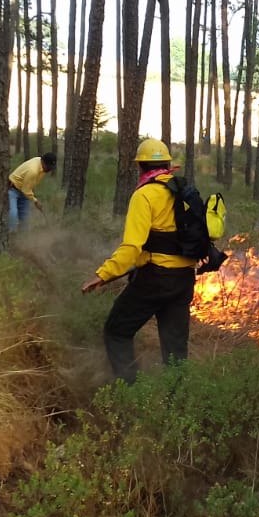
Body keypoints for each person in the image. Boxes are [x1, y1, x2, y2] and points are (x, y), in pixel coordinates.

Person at [81, 138, 197, 382]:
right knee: (175, 352)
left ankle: (130, 391)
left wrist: (102, 275)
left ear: (140, 167)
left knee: (117, 331)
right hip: (184, 279)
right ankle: (178, 400)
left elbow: (132, 247)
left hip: (155, 278)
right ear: (168, 165)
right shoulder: (184, 191)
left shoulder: (144, 195)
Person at [7, 152, 57, 234]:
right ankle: (10, 235)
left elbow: (28, 187)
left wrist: (33, 198)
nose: (49, 170)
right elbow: (25, 190)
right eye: (48, 167)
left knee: (25, 219)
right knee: (13, 214)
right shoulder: (33, 170)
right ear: (43, 162)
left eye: (51, 167)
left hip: (24, 192)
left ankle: (22, 237)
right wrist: (35, 201)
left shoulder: (41, 166)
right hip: (13, 189)